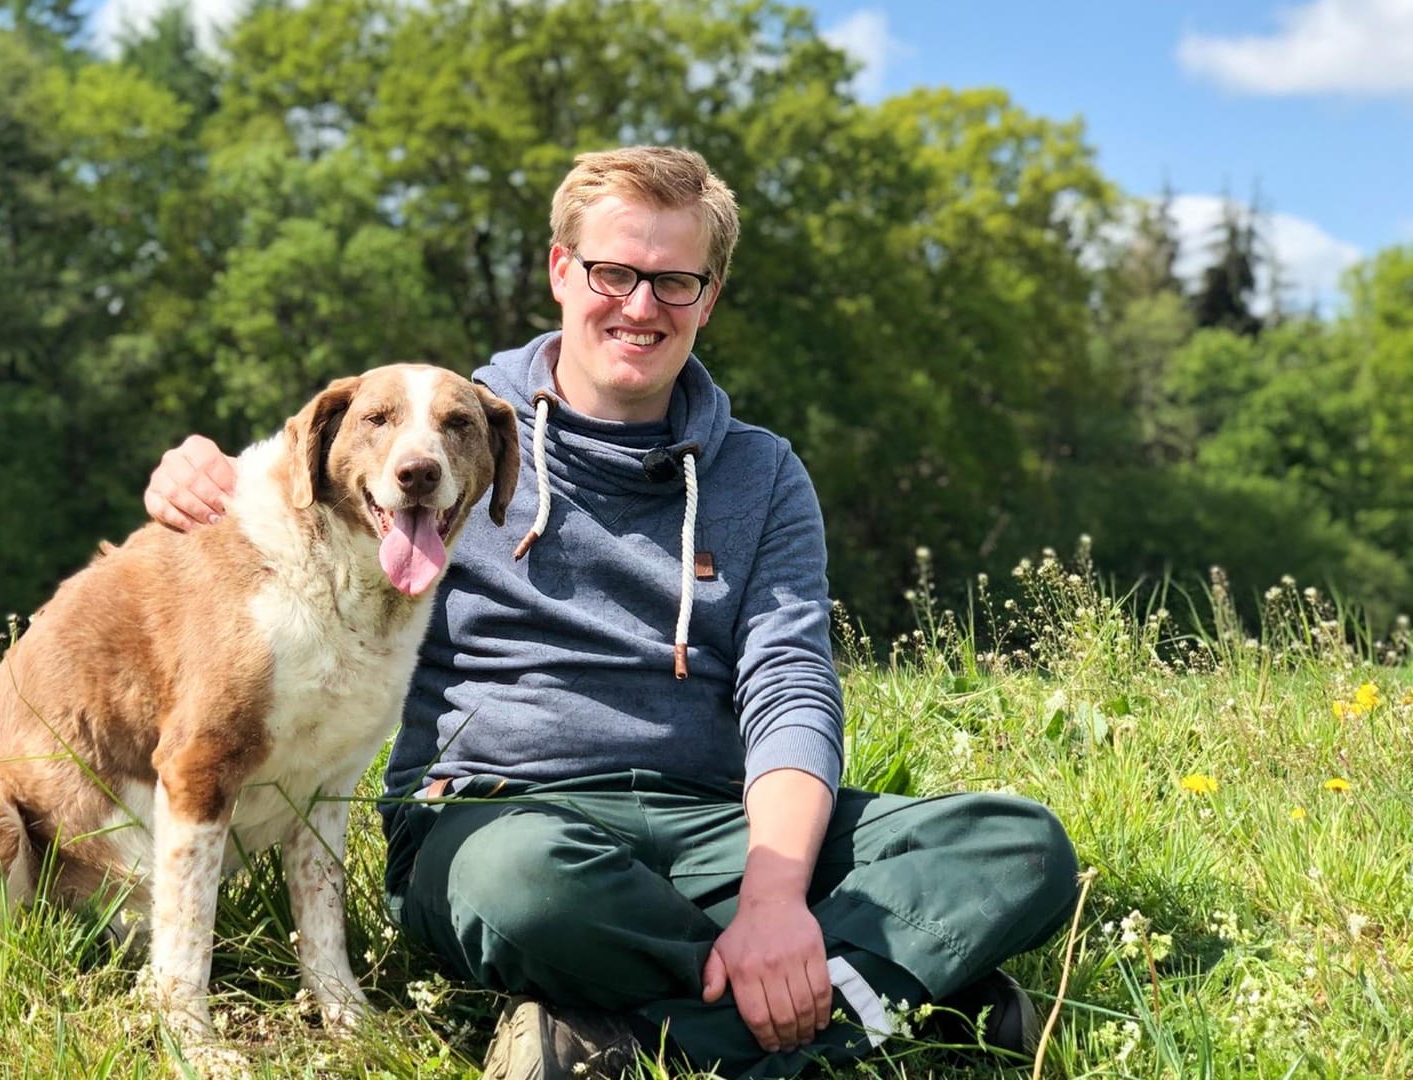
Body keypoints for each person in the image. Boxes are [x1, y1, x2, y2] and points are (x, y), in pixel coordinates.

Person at [143, 146, 1079, 1079]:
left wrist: (772, 896)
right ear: (561, 270)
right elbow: (301, 492)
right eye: (614, 273)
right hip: (505, 824)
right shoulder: (446, 425)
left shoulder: (763, 474)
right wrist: (198, 472)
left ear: (709, 298)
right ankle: (896, 1001)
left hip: (714, 825)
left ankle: (626, 1048)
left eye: (675, 282)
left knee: (1017, 846)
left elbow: (790, 686)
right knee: (527, 891)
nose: (640, 306)